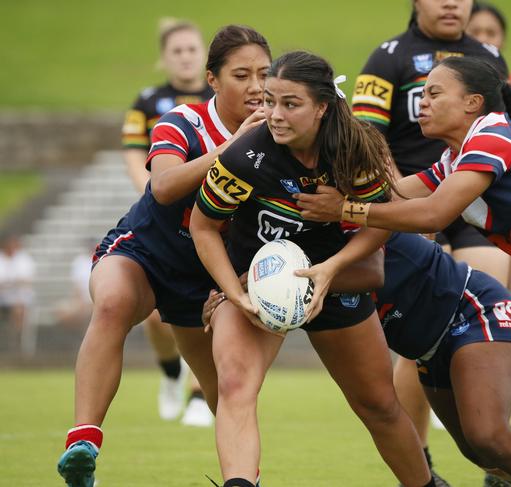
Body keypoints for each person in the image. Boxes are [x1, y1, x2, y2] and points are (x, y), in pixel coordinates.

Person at [296, 55, 511, 487]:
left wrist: (347, 208)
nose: (420, 104)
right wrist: (337, 139)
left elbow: (432, 215)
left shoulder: (492, 136)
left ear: (473, 103)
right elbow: (395, 195)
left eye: (433, 93)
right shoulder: (455, 159)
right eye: (421, 94)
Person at [189, 50, 436, 487]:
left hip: (334, 282)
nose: (274, 115)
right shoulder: (246, 156)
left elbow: (383, 223)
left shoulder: (354, 151)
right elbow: (203, 226)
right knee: (235, 386)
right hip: (256, 283)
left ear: (322, 106)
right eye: (269, 101)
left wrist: (331, 267)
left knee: (378, 405)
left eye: (290, 103)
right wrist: (235, 292)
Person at [202, 230, 511, 486]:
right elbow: (283, 298)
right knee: (477, 451)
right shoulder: (292, 254)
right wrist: (229, 296)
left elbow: (368, 272)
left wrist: (262, 286)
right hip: (427, 350)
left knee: (489, 437)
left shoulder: (351, 229)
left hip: (470, 311)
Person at [56, 24, 271, 487]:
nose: (256, 87)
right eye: (241, 75)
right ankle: (83, 442)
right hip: (147, 253)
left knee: (224, 391)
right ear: (212, 79)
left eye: (264, 74)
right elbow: (164, 185)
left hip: (207, 277)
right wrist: (231, 148)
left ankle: (246, 479)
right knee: (111, 303)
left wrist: (238, 287)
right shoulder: (183, 120)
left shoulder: (281, 135)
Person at [351, 1, 511, 480]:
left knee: (486, 332)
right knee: (422, 339)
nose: (451, 3)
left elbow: (510, 134)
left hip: (473, 204)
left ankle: (497, 454)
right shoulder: (388, 58)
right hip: (410, 197)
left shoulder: (488, 56)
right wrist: (403, 208)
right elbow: (365, 139)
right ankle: (419, 457)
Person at [122, 18, 213, 427]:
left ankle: (198, 395)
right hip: (163, 212)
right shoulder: (147, 101)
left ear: (205, 54)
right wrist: (159, 190)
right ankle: (172, 374)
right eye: (177, 51)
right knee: (157, 318)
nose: (185, 57)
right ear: (165, 58)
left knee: (206, 302)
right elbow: (133, 153)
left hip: (212, 215)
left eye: (192, 49)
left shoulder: (220, 95)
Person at [466, 2, 511, 133]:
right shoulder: (446, 86)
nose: (482, 39)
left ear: (503, 40)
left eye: (491, 33)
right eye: (474, 32)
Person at [0, 234, 35, 347]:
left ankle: (14, 343)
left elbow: (26, 282)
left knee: (18, 310)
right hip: (3, 298)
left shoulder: (24, 259)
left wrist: (10, 283)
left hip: (20, 298)